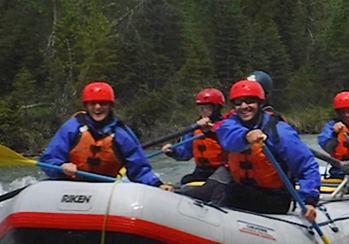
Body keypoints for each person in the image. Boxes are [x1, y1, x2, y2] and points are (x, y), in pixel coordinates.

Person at [198, 78, 320, 221]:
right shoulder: (231, 124)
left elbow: (307, 166)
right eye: (238, 103)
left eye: (250, 101)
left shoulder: (279, 131)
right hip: (244, 191)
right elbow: (228, 136)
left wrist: (309, 201)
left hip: (275, 198)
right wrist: (246, 136)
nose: (244, 106)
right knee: (207, 189)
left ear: (260, 103)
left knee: (225, 191)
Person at [38, 81, 167, 188]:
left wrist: (158, 185)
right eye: (93, 103)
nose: (98, 107)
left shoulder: (122, 134)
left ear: (110, 106)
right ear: (87, 106)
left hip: (105, 189)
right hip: (70, 186)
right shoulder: (71, 128)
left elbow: (139, 170)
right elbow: (47, 160)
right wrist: (61, 166)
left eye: (102, 103)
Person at [162, 88, 227, 188]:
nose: (202, 110)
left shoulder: (227, 127)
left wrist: (212, 131)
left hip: (222, 171)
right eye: (200, 107)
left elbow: (234, 145)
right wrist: (173, 151)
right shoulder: (195, 129)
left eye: (206, 107)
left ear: (216, 108)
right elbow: (185, 153)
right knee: (185, 180)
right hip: (201, 171)